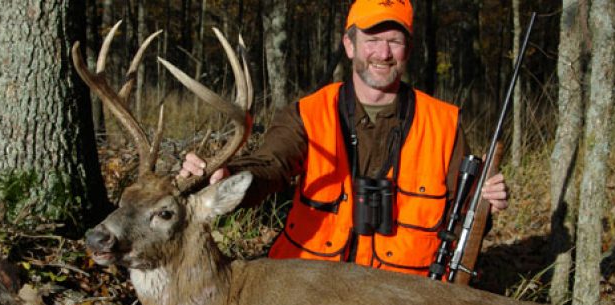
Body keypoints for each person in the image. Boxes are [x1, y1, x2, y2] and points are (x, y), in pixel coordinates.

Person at [179, 0, 509, 277]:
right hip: (310, 285)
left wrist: (486, 204)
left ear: (408, 48)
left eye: (394, 40)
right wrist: (225, 174)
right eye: (372, 39)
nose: (383, 53)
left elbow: (466, 218)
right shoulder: (307, 114)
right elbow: (270, 165)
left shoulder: (444, 123)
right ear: (349, 45)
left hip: (402, 296)